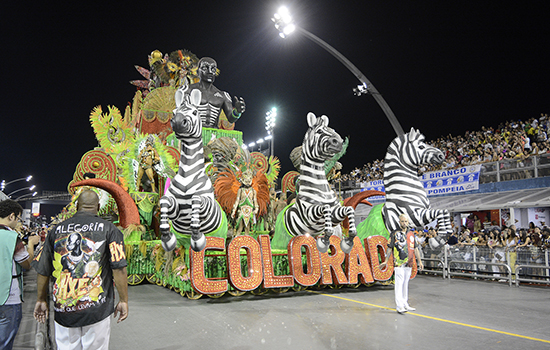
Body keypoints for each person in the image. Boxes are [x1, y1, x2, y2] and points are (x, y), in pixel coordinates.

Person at [33, 190, 128, 350]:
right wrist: (124, 300)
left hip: (63, 308)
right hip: (97, 309)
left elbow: (43, 269)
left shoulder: (56, 231)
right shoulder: (110, 229)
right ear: (98, 207)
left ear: (77, 206)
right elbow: (119, 268)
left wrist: (41, 299)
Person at [0, 200, 40, 350]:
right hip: (8, 298)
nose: (17, 222)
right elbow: (26, 263)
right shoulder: (12, 237)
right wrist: (30, 244)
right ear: (11, 216)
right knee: (4, 342)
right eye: (18, 218)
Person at [379, 214, 424, 314]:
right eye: (402, 221)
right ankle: (399, 305)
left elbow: (415, 248)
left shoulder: (411, 234)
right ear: (399, 222)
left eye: (406, 221)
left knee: (405, 284)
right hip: (398, 263)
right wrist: (386, 260)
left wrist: (419, 261)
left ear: (408, 222)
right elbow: (389, 247)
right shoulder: (394, 233)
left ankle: (405, 303)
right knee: (399, 284)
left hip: (409, 263)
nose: (404, 223)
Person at [185, 57, 246, 129]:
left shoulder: (223, 95)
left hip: (213, 135)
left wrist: (237, 112)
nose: (210, 71)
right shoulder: (188, 90)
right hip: (193, 133)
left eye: (213, 69)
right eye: (205, 68)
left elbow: (231, 118)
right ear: (198, 71)